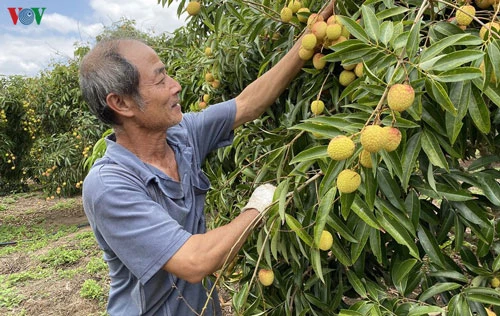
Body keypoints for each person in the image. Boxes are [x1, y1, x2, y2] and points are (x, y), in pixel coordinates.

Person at [79, 4, 333, 315]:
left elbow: (248, 104)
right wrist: (259, 206)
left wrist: (310, 37)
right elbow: (194, 260)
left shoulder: (182, 135)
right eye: (160, 80)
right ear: (121, 103)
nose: (176, 85)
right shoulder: (109, 186)